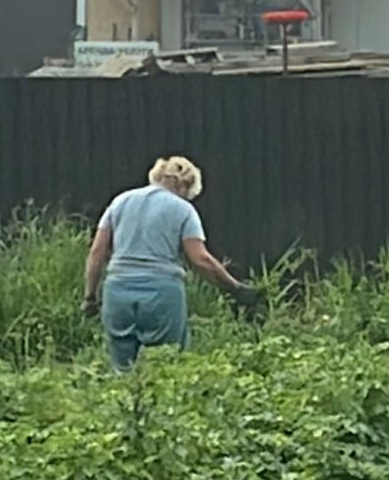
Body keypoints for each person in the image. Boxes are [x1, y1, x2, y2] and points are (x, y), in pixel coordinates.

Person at [83, 155, 259, 370]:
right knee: (168, 365)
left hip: (117, 292)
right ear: (186, 186)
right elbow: (201, 259)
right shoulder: (183, 210)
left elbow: (96, 251)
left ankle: (126, 401)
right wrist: (235, 288)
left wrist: (90, 296)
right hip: (161, 293)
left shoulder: (120, 201)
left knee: (122, 366)